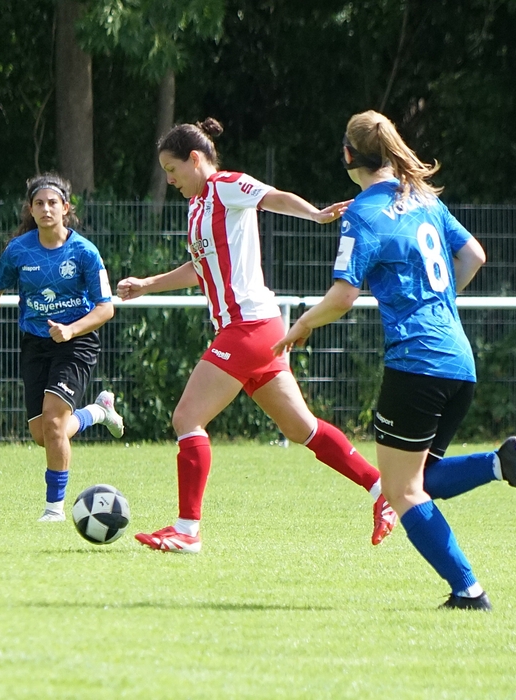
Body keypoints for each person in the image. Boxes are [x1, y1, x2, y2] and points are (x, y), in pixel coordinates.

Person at [273, 110, 516, 611]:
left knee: (400, 491)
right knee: (420, 480)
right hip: (458, 358)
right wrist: (437, 304)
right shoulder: (422, 198)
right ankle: (500, 463)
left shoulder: (363, 212)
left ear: (348, 155)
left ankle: (469, 592)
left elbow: (342, 296)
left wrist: (302, 325)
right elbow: (474, 256)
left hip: (416, 362)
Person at [116, 117, 397, 553]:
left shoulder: (225, 186)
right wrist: (147, 284)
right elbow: (202, 268)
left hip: (247, 327)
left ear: (196, 159)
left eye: (172, 170)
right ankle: (383, 491)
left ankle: (187, 530)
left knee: (186, 419)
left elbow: (272, 196)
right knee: (302, 428)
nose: (169, 180)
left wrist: (314, 214)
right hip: (255, 328)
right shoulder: (197, 207)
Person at [0, 173, 125, 521]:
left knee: (54, 424)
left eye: (53, 202)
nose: (46, 208)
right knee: (43, 434)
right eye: (39, 203)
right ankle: (97, 413)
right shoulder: (18, 250)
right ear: (31, 209)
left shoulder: (84, 252)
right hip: (35, 344)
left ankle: (54, 510)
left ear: (66, 208)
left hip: (77, 343)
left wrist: (70, 330)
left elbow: (106, 308)